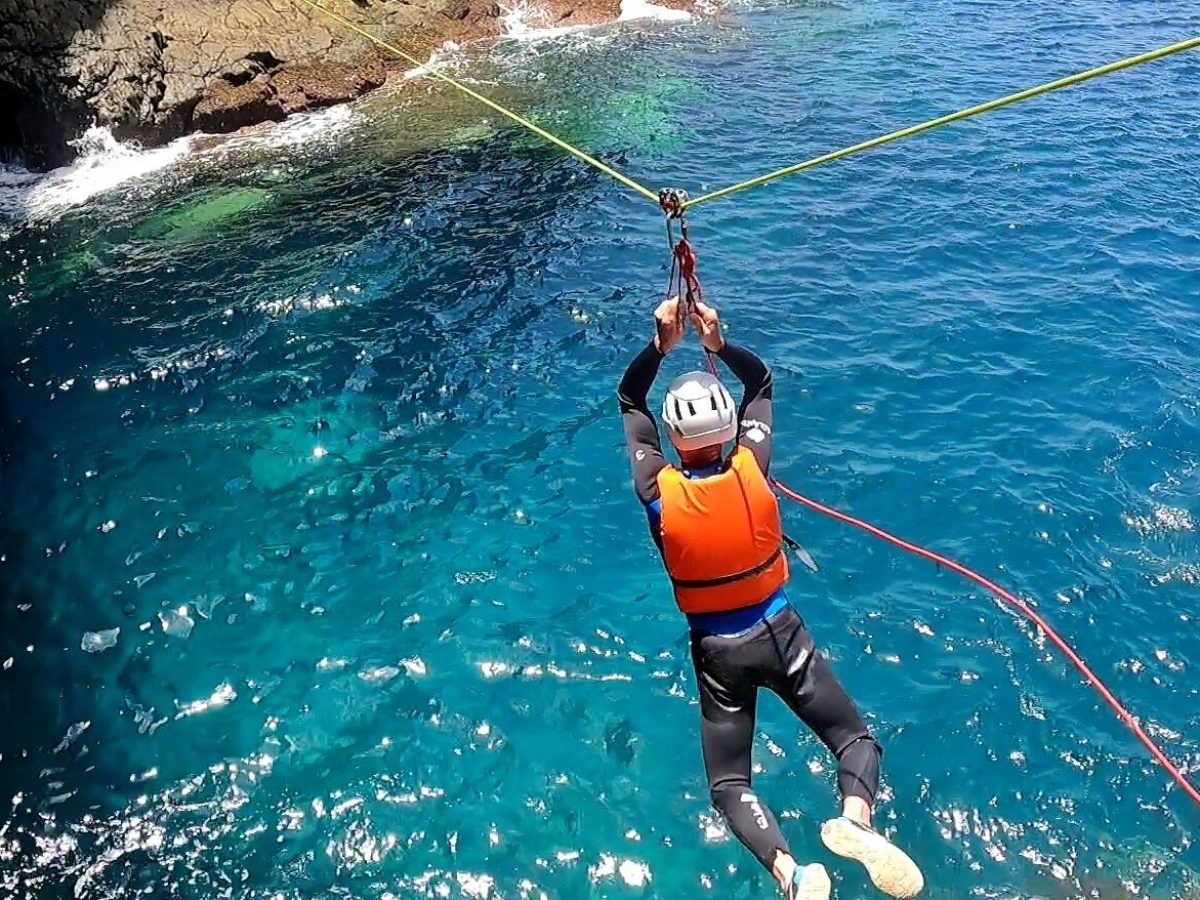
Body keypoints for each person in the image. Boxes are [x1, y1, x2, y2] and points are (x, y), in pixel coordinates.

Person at [617, 296, 924, 900]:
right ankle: (856, 819)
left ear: (676, 439)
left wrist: (660, 344)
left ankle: (792, 874)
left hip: (719, 656)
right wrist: (716, 340)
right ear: (731, 429)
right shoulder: (752, 468)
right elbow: (759, 380)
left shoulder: (657, 490)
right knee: (855, 741)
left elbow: (631, 401)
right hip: (783, 635)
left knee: (731, 784)